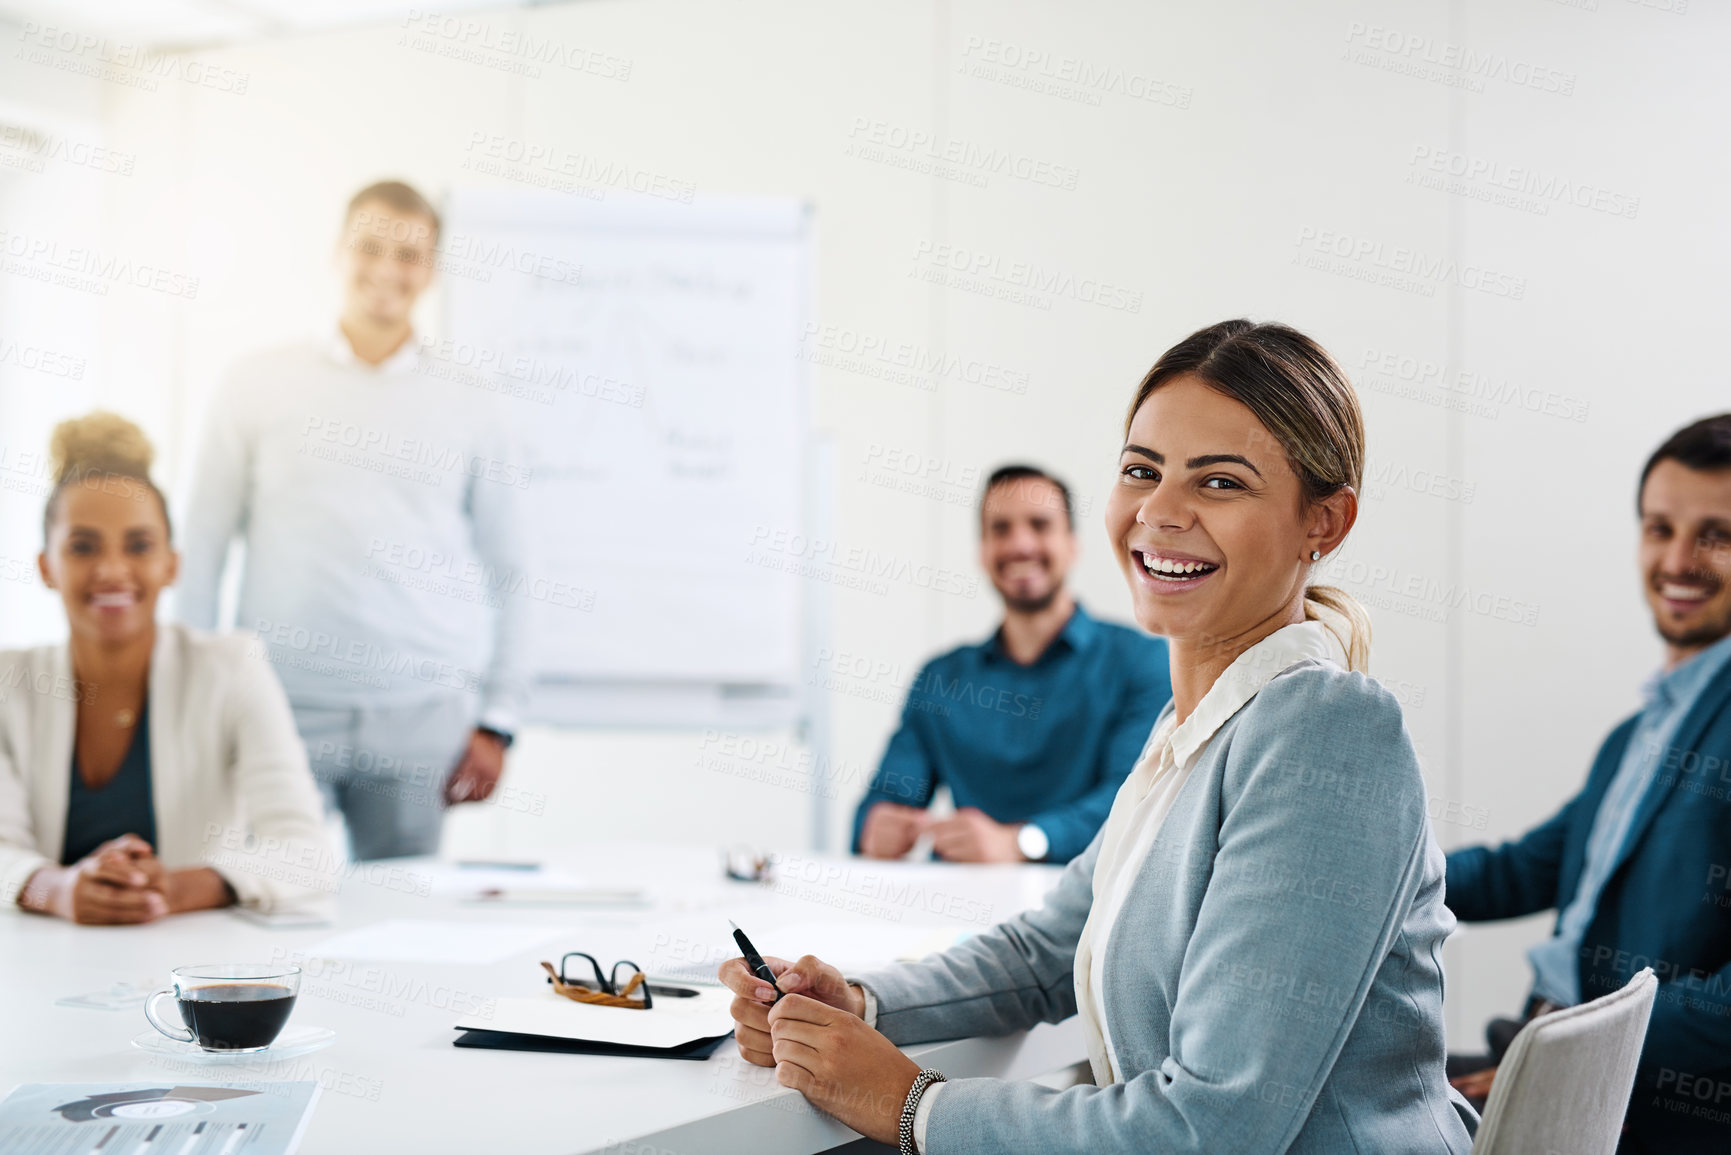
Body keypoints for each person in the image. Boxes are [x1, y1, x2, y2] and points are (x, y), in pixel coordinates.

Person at [721, 320, 1476, 1152]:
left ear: (1323, 523)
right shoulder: (1194, 727)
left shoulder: (1324, 732)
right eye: (1140, 471)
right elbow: (1047, 948)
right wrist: (860, 1001)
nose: (1159, 510)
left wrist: (909, 1104)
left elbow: (1211, 1128)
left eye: (1219, 482)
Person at [178, 180, 531, 860]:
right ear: (338, 253)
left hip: (420, 715)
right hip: (278, 706)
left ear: (429, 269)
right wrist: (199, 698)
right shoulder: (254, 380)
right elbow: (203, 544)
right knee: (265, 904)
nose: (387, 269)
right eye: (370, 246)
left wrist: (499, 720)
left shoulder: (473, 403)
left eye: (408, 253)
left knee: (400, 930)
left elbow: (512, 569)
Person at [1445, 413, 1731, 1154]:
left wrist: (1568, 1063)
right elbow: (1518, 870)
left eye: (1716, 534)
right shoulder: (1637, 734)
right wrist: (1366, 867)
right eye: (1658, 527)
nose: (1678, 559)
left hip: (1636, 1104)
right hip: (1546, 1052)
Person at [0, 413, 330, 923]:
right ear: (46, 566)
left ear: (172, 565)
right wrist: (57, 889)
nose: (112, 570)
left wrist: (177, 889)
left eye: (139, 546)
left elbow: (305, 850)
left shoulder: (231, 668)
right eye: (83, 547)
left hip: (190, 968)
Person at [850, 465, 1171, 864]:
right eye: (1000, 529)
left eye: (1039, 525)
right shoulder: (942, 679)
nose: (1019, 544)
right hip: (955, 908)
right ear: (982, 552)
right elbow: (884, 801)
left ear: (1072, 545)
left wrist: (1022, 842)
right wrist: (875, 829)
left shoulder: (1141, 663)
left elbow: (1135, 802)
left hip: (1084, 910)